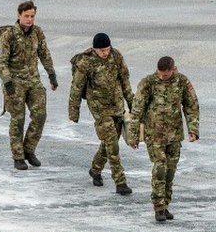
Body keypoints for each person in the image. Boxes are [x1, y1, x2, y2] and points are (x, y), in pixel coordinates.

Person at [126, 56, 199, 222]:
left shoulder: (182, 82)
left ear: (173, 69)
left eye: (165, 75)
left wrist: (193, 129)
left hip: (174, 135)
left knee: (170, 171)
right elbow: (136, 110)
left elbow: (191, 105)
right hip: (154, 135)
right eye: (160, 74)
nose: (162, 77)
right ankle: (158, 207)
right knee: (160, 169)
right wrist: (134, 136)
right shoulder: (148, 83)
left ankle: (165, 204)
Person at [69, 32, 133, 195]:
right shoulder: (86, 62)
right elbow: (76, 87)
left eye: (107, 49)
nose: (105, 53)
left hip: (116, 104)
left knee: (109, 141)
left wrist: (132, 103)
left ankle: (95, 169)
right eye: (101, 50)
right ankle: (120, 182)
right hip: (99, 107)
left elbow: (125, 80)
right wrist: (74, 111)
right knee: (112, 143)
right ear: (94, 49)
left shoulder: (116, 56)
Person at [0, 0, 57, 170]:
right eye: (26, 16)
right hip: (14, 82)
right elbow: (0, 61)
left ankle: (29, 149)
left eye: (32, 16)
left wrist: (51, 74)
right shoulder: (8, 35)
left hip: (33, 80)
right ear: (19, 15)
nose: (29, 19)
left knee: (40, 115)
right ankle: (18, 156)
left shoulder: (37, 32)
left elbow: (44, 54)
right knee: (18, 119)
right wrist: (7, 82)